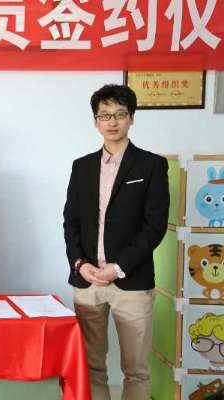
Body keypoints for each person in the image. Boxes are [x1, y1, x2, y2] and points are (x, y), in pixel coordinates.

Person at [63, 84, 169, 400]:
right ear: (95, 121)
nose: (112, 122)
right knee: (91, 366)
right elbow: (71, 222)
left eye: (120, 114)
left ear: (131, 118)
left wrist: (118, 266)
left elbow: (154, 227)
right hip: (88, 281)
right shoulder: (81, 166)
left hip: (131, 281)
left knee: (136, 370)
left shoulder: (151, 165)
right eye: (105, 115)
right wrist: (79, 264)